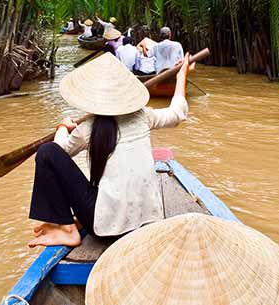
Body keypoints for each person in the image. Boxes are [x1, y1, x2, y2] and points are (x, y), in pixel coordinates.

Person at [26, 52, 196, 247]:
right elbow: (178, 113)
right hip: (148, 222)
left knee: (47, 152)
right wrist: (181, 75)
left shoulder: (88, 127)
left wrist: (63, 127)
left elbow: (60, 150)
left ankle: (68, 229)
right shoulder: (142, 116)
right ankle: (71, 224)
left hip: (105, 231)